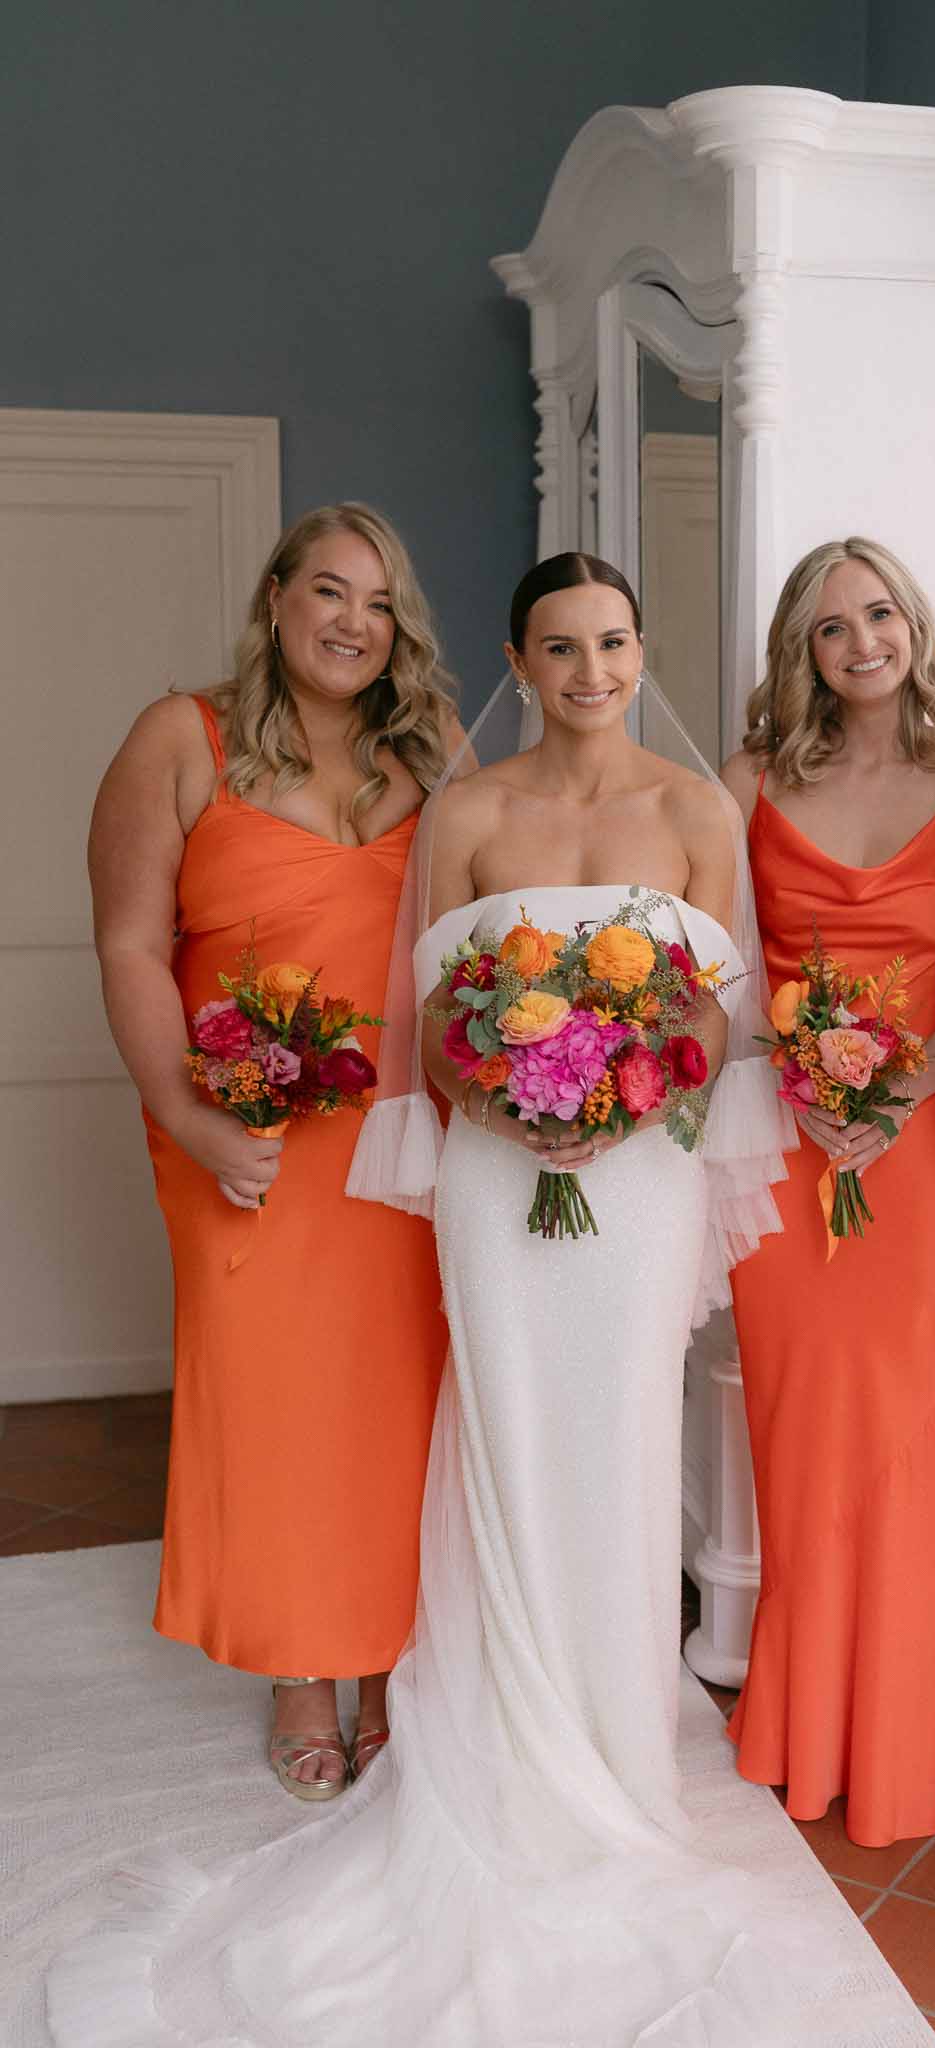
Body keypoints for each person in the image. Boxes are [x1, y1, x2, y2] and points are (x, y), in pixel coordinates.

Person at [51, 554, 911, 2045]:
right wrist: (508, 1100)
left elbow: (720, 1013)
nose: (592, 670)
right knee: (504, 1432)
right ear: (520, 656)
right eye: (563, 646)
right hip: (498, 1179)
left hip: (637, 1179)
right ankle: (490, 1731)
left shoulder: (697, 811)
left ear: (642, 653)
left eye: (616, 642)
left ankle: (618, 1747)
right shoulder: (465, 806)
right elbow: (422, 1018)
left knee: (621, 1439)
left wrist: (632, 1093)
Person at [88, 502, 463, 1800]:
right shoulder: (177, 739)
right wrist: (193, 1121)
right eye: (328, 593)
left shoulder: (435, 756)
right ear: (275, 599)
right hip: (242, 1125)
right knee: (275, 1396)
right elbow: (131, 945)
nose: (353, 623)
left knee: (400, 1395)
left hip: (404, 1129)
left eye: (378, 603)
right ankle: (304, 1667)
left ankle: (393, 1663)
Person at [720, 537, 935, 1846]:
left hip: (922, 1145)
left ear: (913, 623)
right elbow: (725, 978)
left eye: (879, 614)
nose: (861, 643)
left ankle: (910, 1732)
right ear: (802, 648)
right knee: (798, 1434)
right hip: (786, 1146)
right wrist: (802, 1082)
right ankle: (801, 1722)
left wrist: (892, 1101)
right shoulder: (746, 783)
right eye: (831, 626)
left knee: (909, 1439)